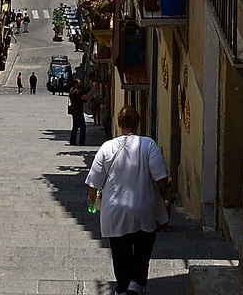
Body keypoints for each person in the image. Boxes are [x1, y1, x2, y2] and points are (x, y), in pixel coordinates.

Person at [86, 106, 172, 295]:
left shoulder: (106, 147)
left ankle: (123, 286)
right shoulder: (148, 145)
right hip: (143, 207)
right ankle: (137, 284)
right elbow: (161, 179)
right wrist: (163, 195)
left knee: (119, 251)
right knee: (144, 246)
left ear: (118, 124)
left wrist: (92, 199)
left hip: (115, 210)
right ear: (138, 124)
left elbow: (94, 182)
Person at [68, 82, 88, 146]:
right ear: (75, 84)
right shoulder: (76, 92)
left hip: (74, 111)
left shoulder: (71, 90)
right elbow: (85, 98)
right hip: (78, 112)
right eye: (79, 83)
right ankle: (81, 142)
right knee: (83, 128)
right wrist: (92, 90)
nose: (81, 84)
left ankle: (72, 141)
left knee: (75, 127)